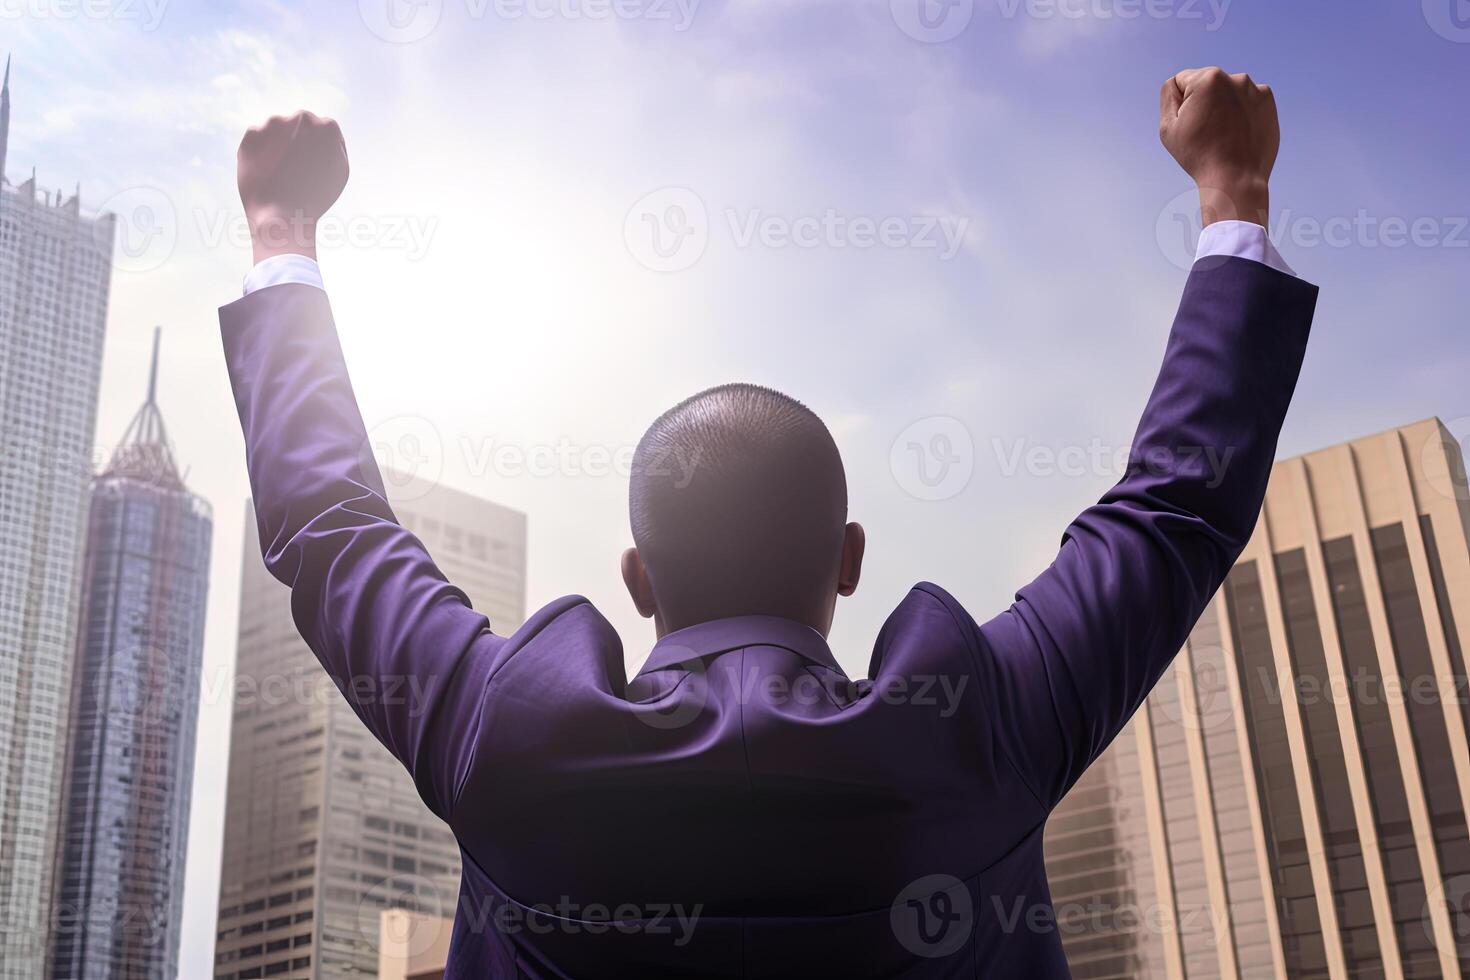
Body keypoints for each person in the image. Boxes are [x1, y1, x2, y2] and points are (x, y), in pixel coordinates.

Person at [221, 67, 1316, 977]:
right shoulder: (979, 730)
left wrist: (284, 228)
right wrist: (1234, 188)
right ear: (849, 562)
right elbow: (1175, 508)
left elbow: (331, 527)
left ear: (636, 576)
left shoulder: (501, 734)